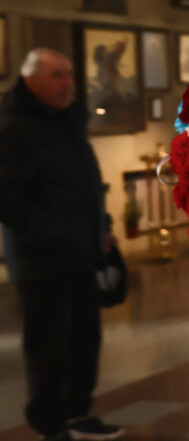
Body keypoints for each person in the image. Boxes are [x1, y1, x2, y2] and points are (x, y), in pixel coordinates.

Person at [0, 49, 123, 441]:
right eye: (56, 76)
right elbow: (8, 200)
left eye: (69, 75)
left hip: (81, 254)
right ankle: (50, 425)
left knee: (85, 341)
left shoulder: (67, 122)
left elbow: (87, 182)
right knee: (48, 348)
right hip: (42, 260)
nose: (67, 84)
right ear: (31, 81)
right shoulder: (14, 128)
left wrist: (101, 226)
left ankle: (77, 414)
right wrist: (57, 232)